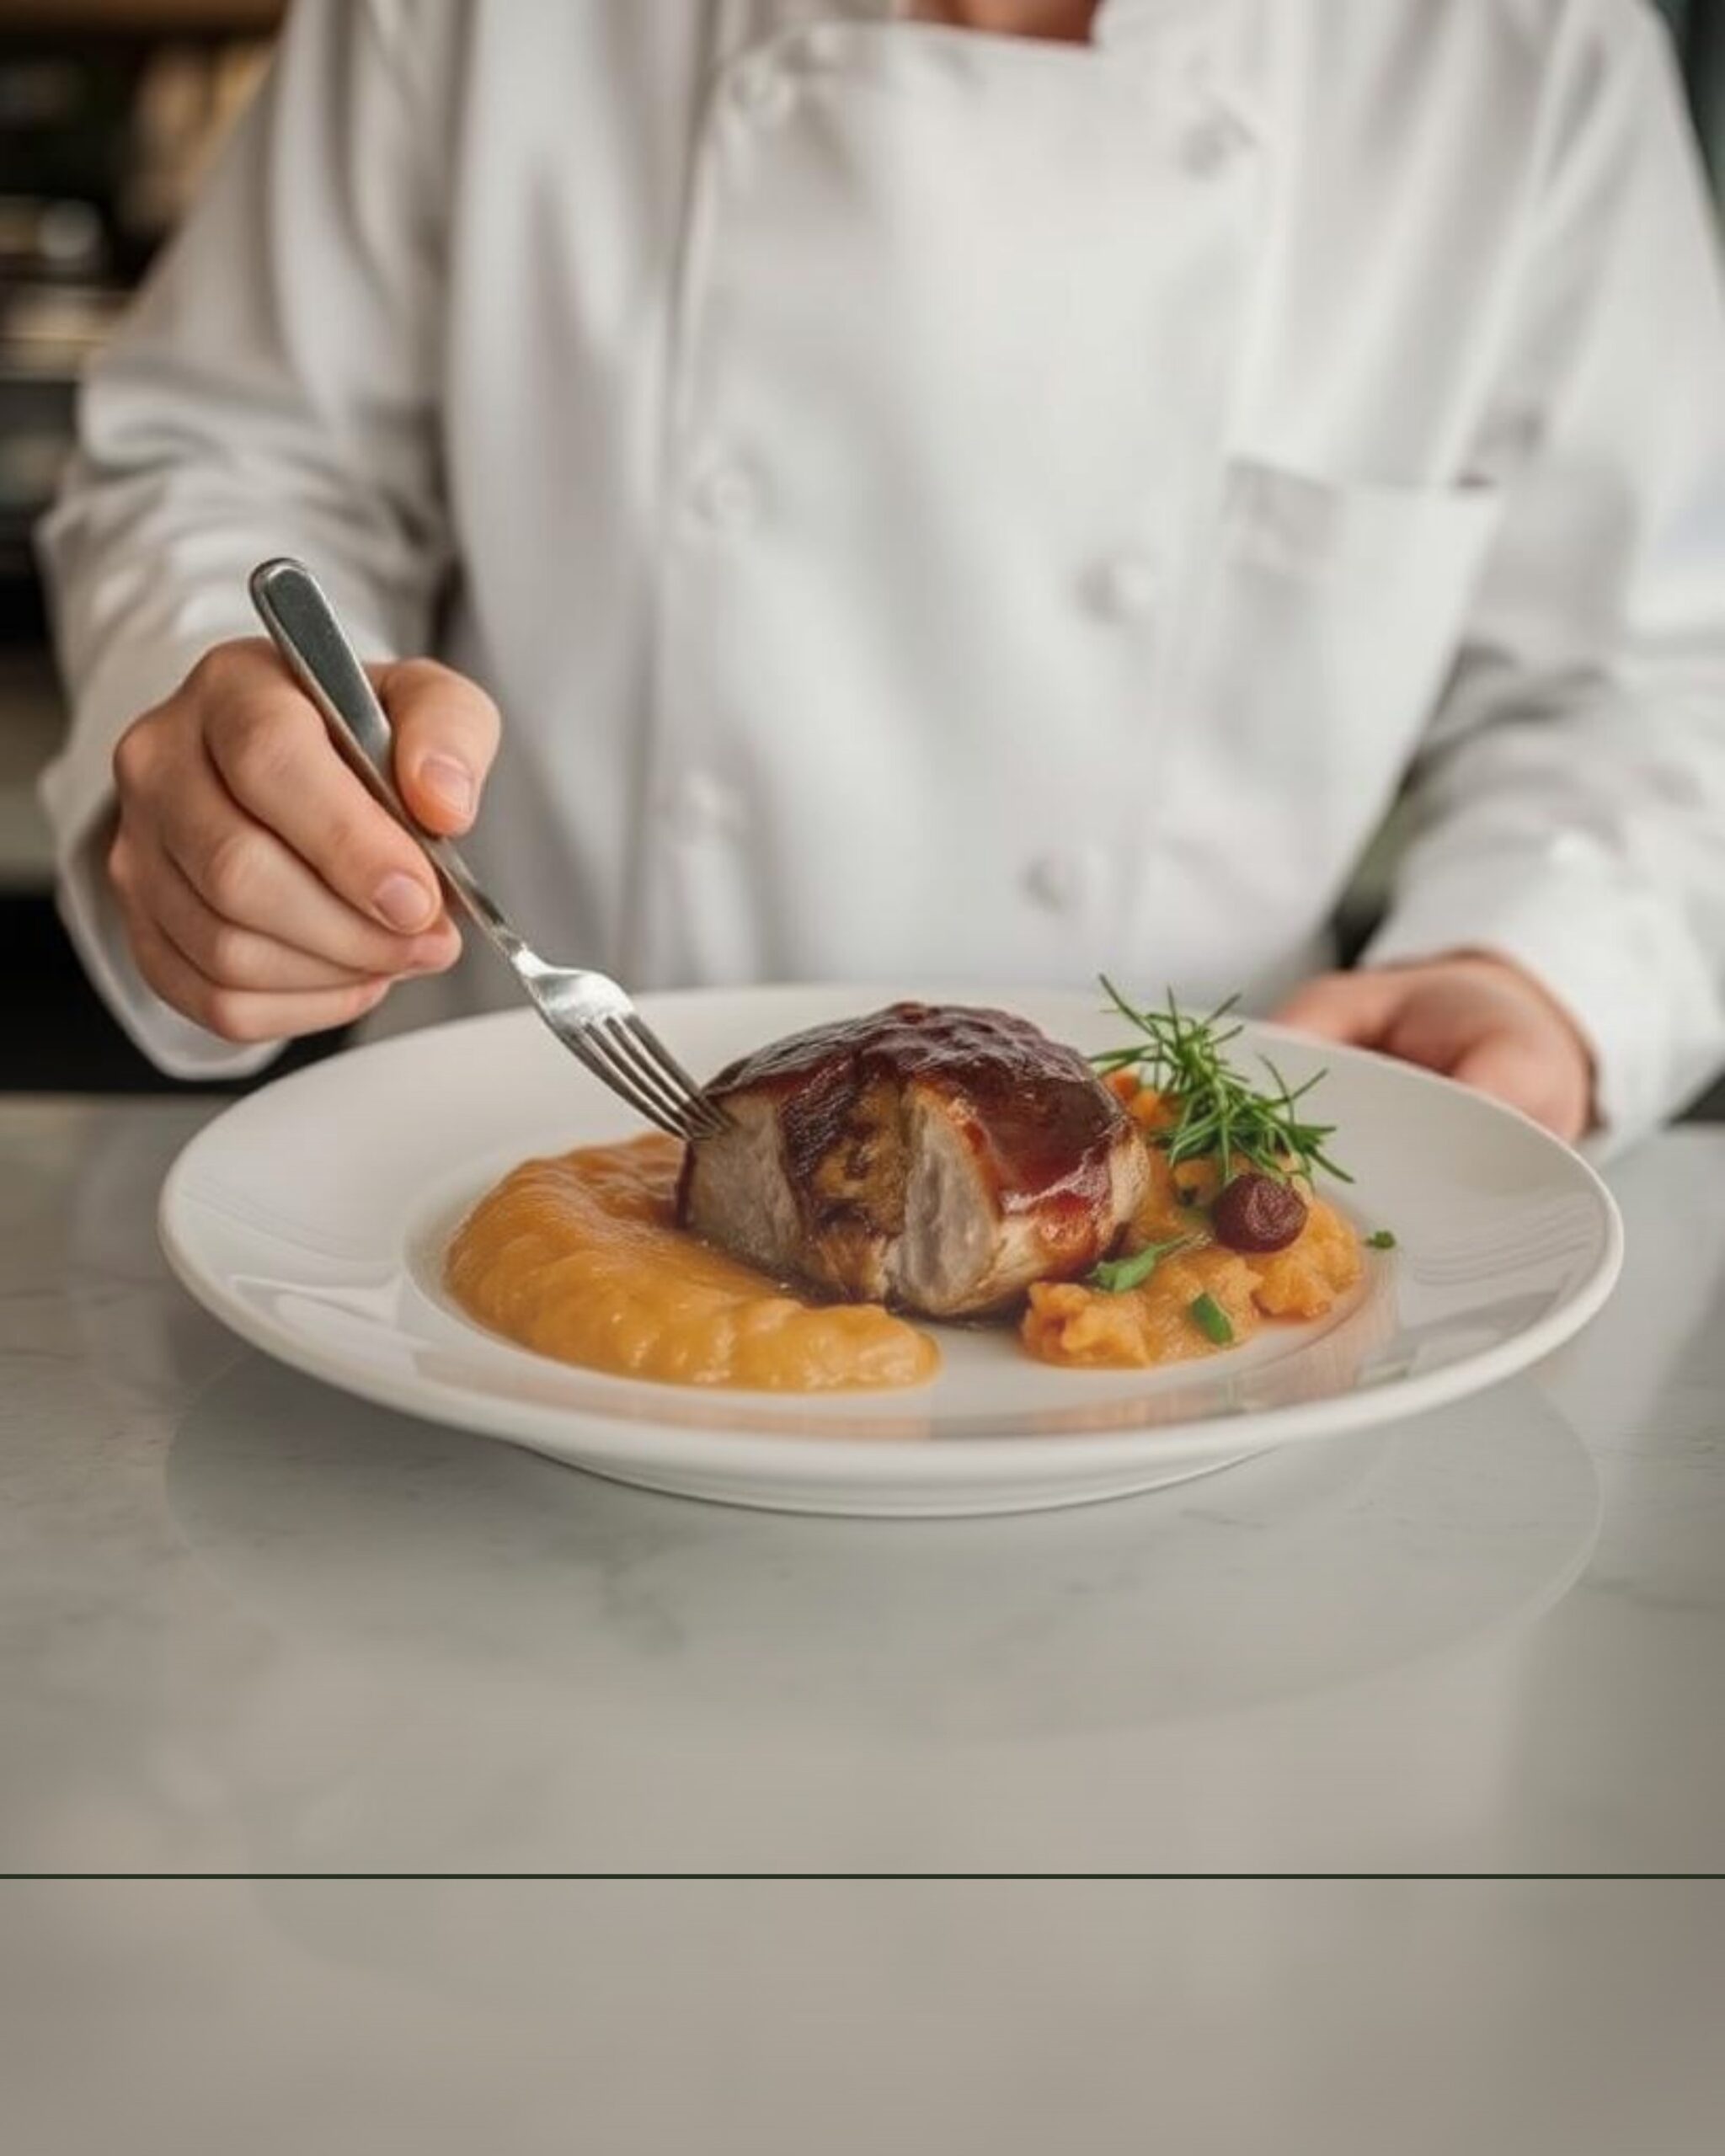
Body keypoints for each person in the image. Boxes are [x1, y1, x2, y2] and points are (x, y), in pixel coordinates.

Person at [38, 0, 1725, 1145]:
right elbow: (237, 460)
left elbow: (1653, 674)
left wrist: (1536, 967)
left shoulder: (1519, 53)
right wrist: (236, 778)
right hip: (502, 1173)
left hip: (1198, 1274)